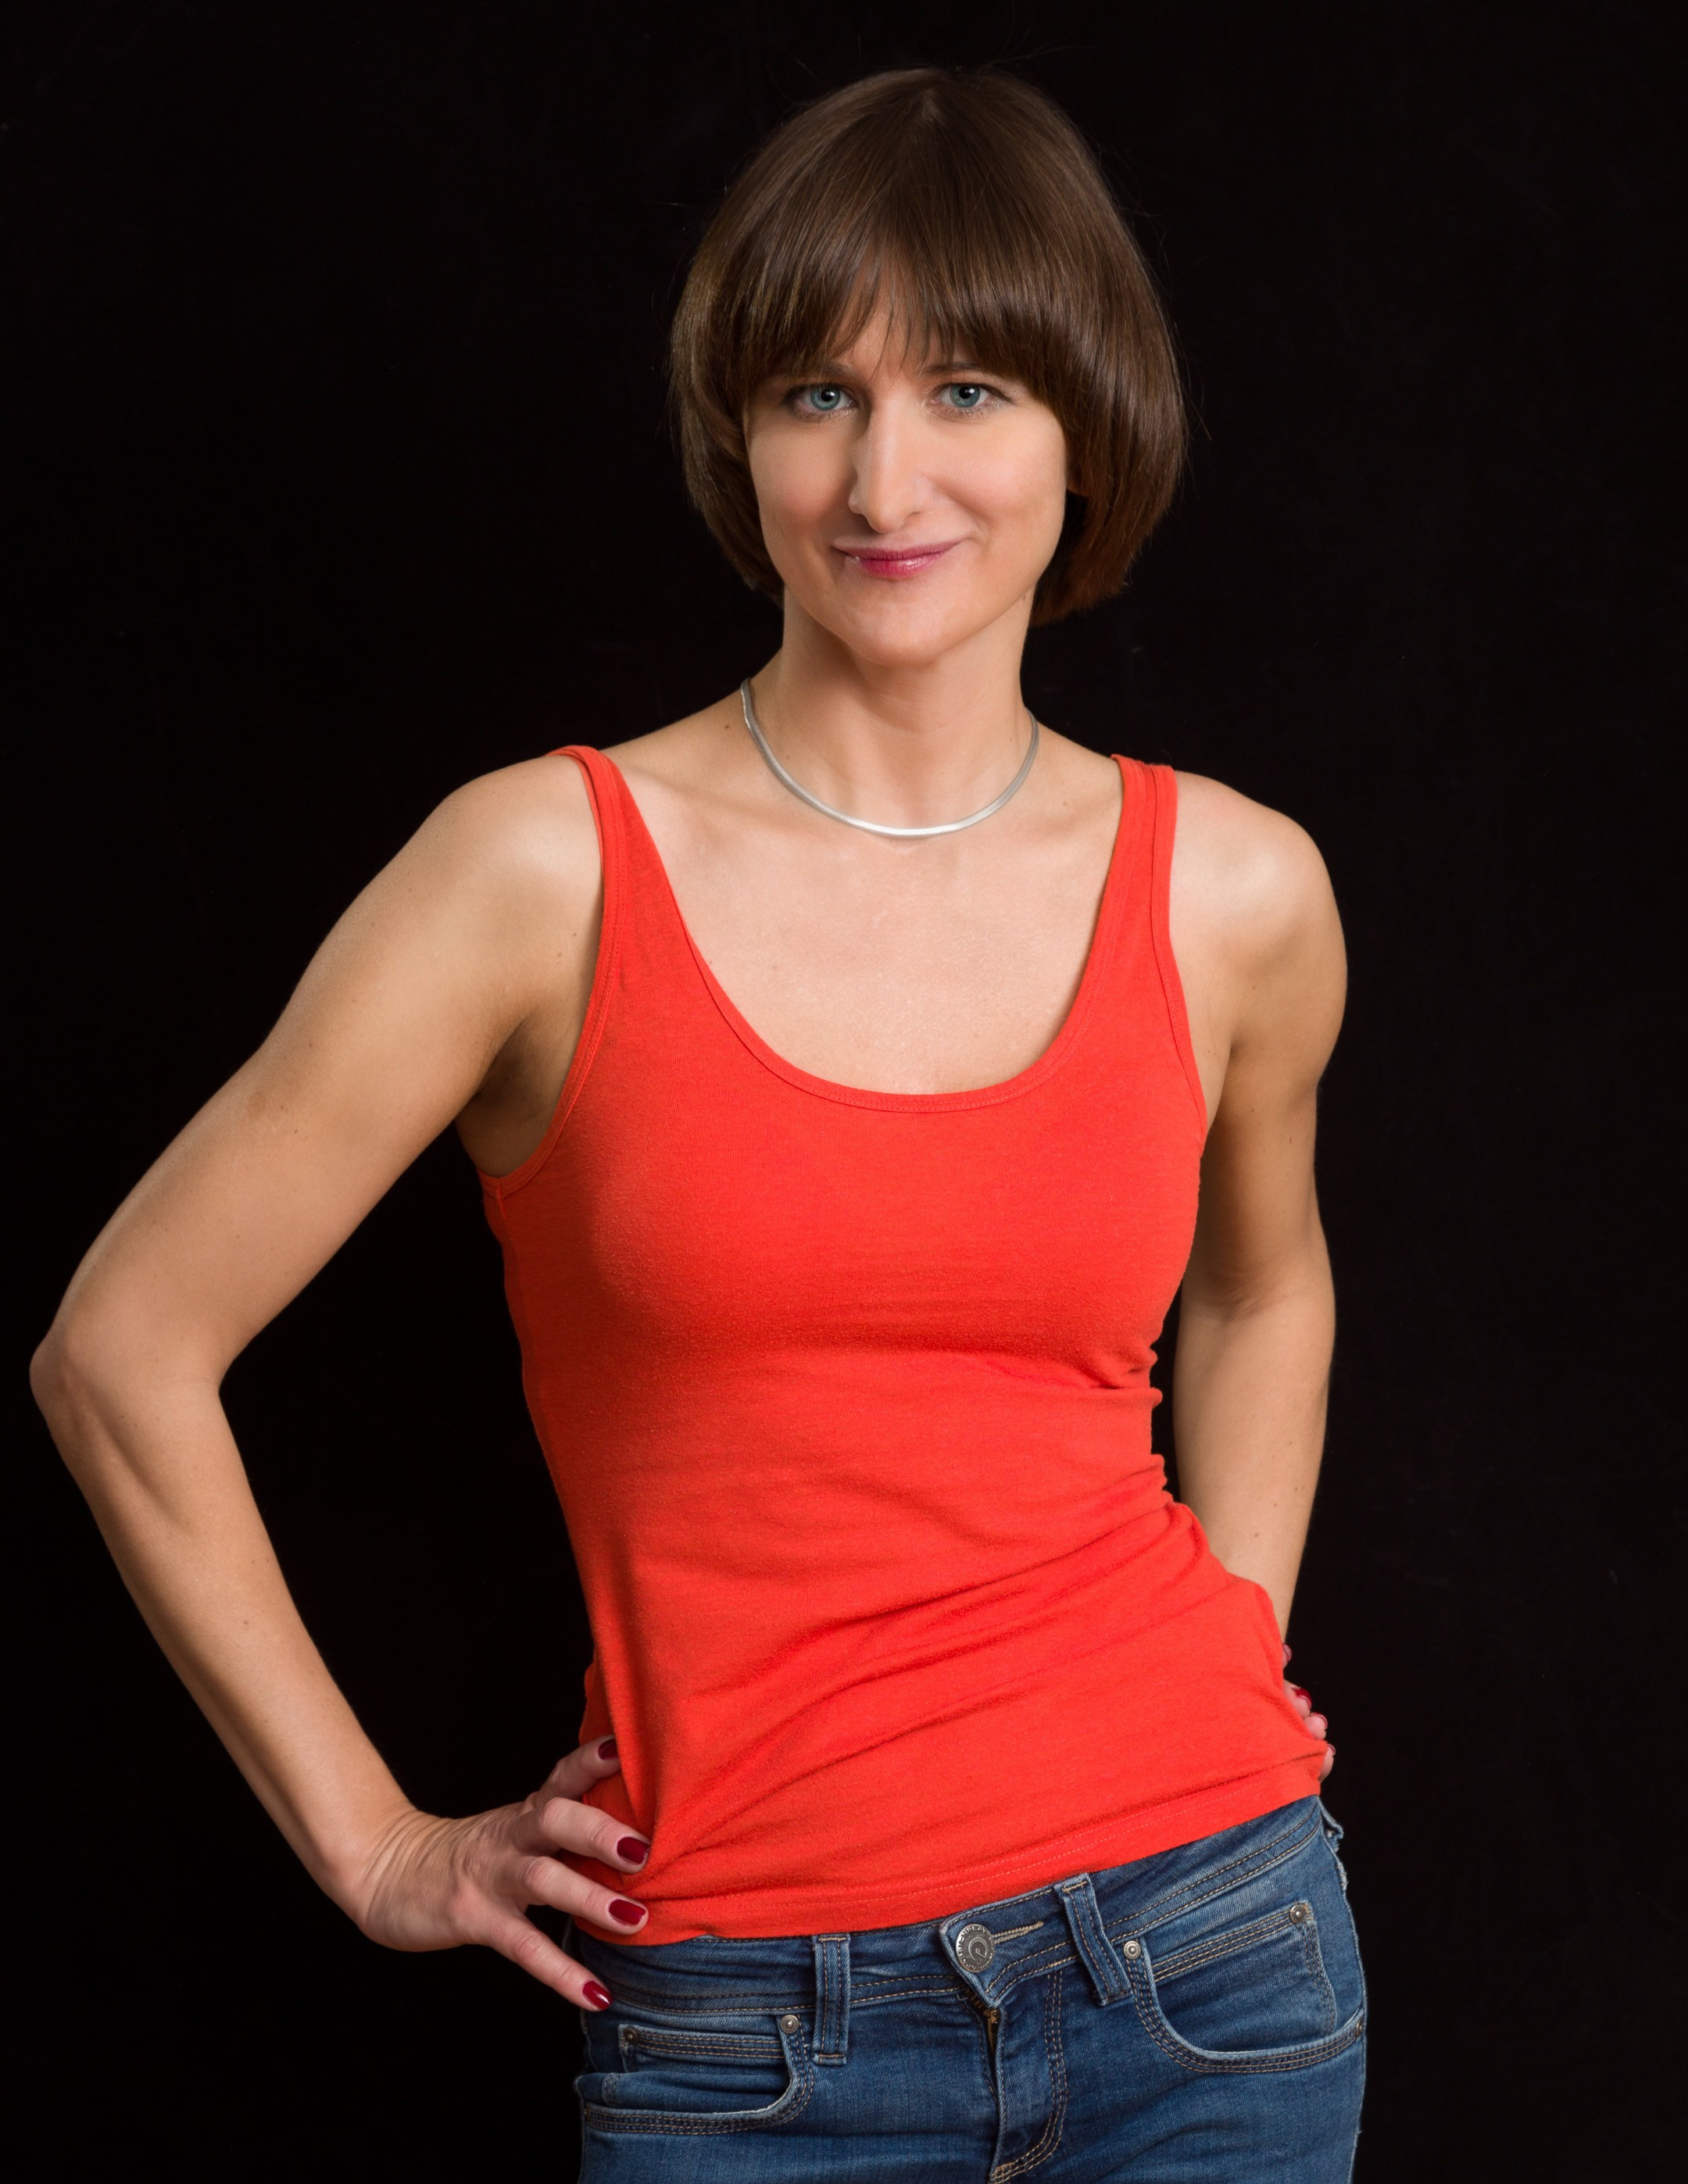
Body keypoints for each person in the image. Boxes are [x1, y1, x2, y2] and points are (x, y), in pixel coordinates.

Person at [33, 65, 1363, 2182]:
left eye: (968, 388)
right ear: (739, 435)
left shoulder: (1240, 895)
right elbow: (120, 1349)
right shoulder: (533, 872)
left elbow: (1267, 1287)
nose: (883, 472)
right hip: (757, 2023)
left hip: (1212, 1962)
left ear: (1086, 428)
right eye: (817, 395)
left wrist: (1235, 1631)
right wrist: (378, 1842)